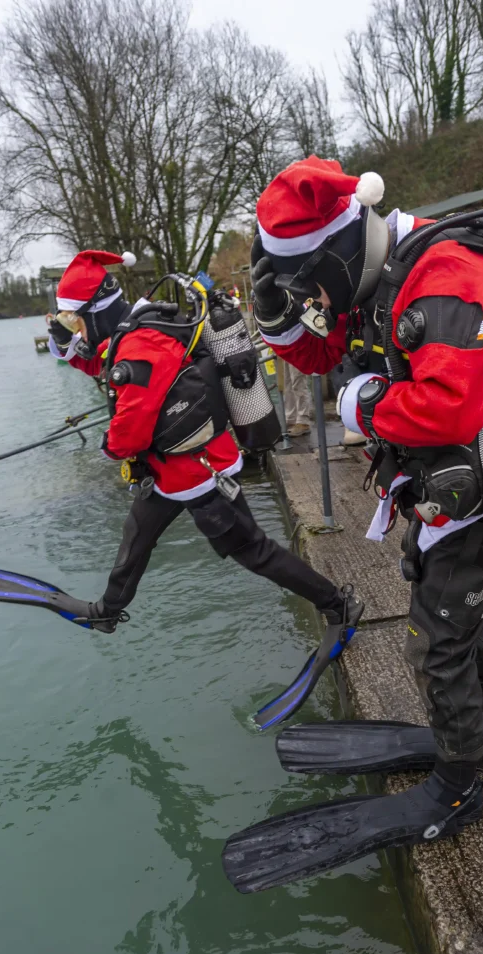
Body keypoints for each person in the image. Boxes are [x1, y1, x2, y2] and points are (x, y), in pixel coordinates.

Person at [221, 156, 483, 892]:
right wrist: (278, 319)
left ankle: (458, 781)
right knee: (455, 600)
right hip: (460, 467)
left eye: (306, 283)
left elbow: (447, 405)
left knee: (436, 630)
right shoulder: (373, 270)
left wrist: (360, 406)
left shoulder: (444, 276)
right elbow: (328, 349)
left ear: (340, 250)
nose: (308, 298)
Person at [41, 249, 363, 718]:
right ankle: (109, 610)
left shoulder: (140, 347)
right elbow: (101, 363)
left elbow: (129, 427)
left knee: (253, 551)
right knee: (139, 531)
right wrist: (66, 345)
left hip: (199, 473)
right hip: (173, 471)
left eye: (75, 322)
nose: (77, 333)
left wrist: (110, 449)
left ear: (98, 311)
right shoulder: (139, 328)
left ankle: (337, 604)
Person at [282, 361, 313, 437]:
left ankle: (303, 422)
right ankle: (291, 419)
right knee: (287, 385)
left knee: (298, 384)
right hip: (283, 350)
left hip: (296, 351)